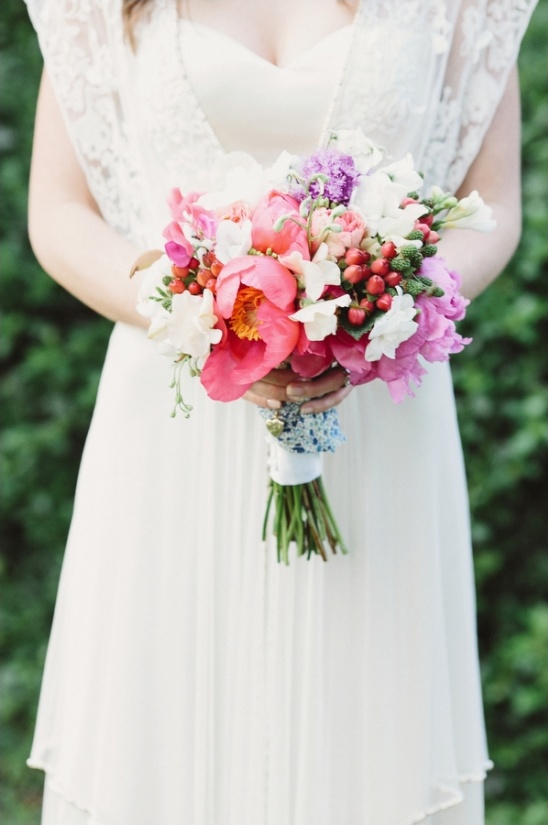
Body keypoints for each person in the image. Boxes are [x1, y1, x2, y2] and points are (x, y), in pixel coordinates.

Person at [23, 1, 536, 823]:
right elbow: (57, 209)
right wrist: (195, 314)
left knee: (367, 719)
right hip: (176, 411)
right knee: (167, 719)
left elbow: (493, 206)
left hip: (376, 408)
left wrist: (379, 309)